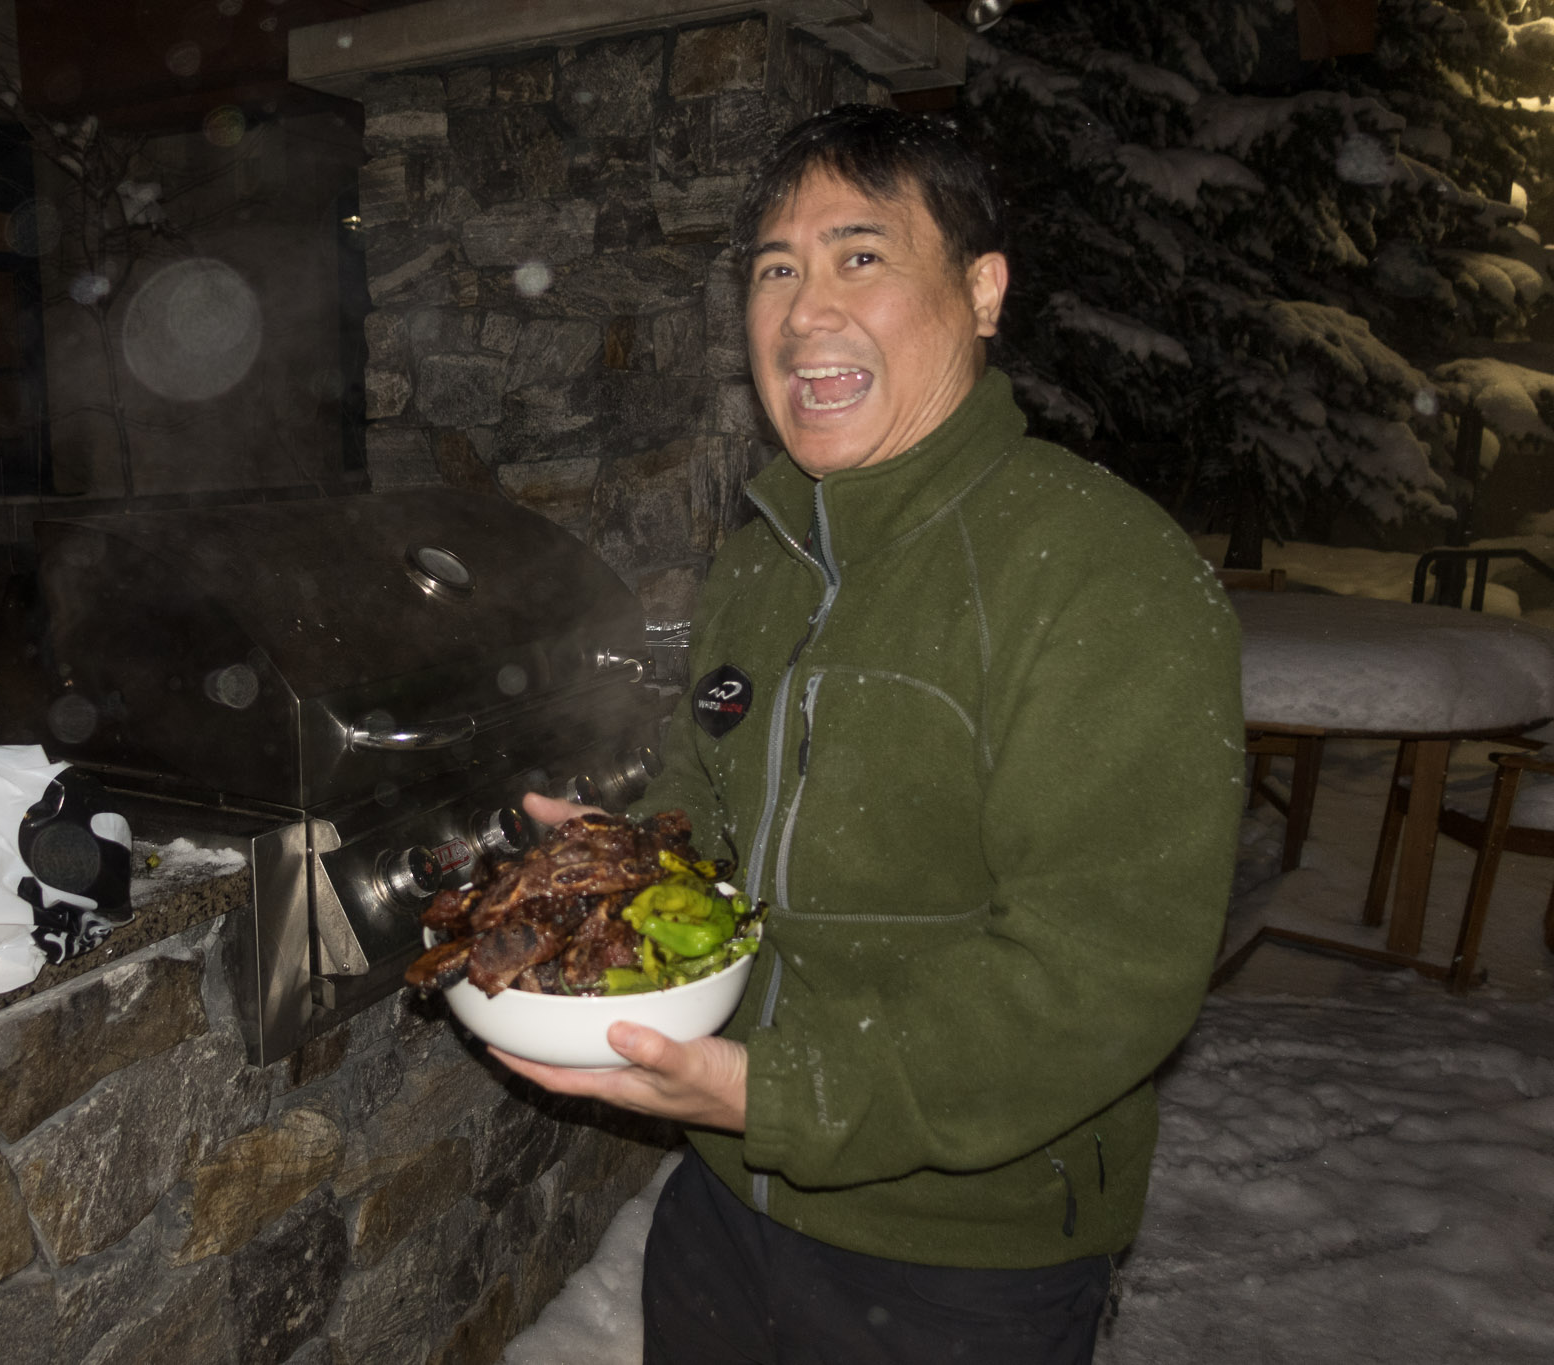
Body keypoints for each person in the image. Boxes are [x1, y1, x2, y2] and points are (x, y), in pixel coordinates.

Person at [495, 104, 1244, 1364]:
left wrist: (774, 1092)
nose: (801, 311)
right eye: (774, 269)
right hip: (726, 1207)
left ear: (983, 289)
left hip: (965, 1260)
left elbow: (1103, 974)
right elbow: (712, 824)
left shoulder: (1101, 570)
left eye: (859, 256)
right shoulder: (758, 563)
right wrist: (625, 867)